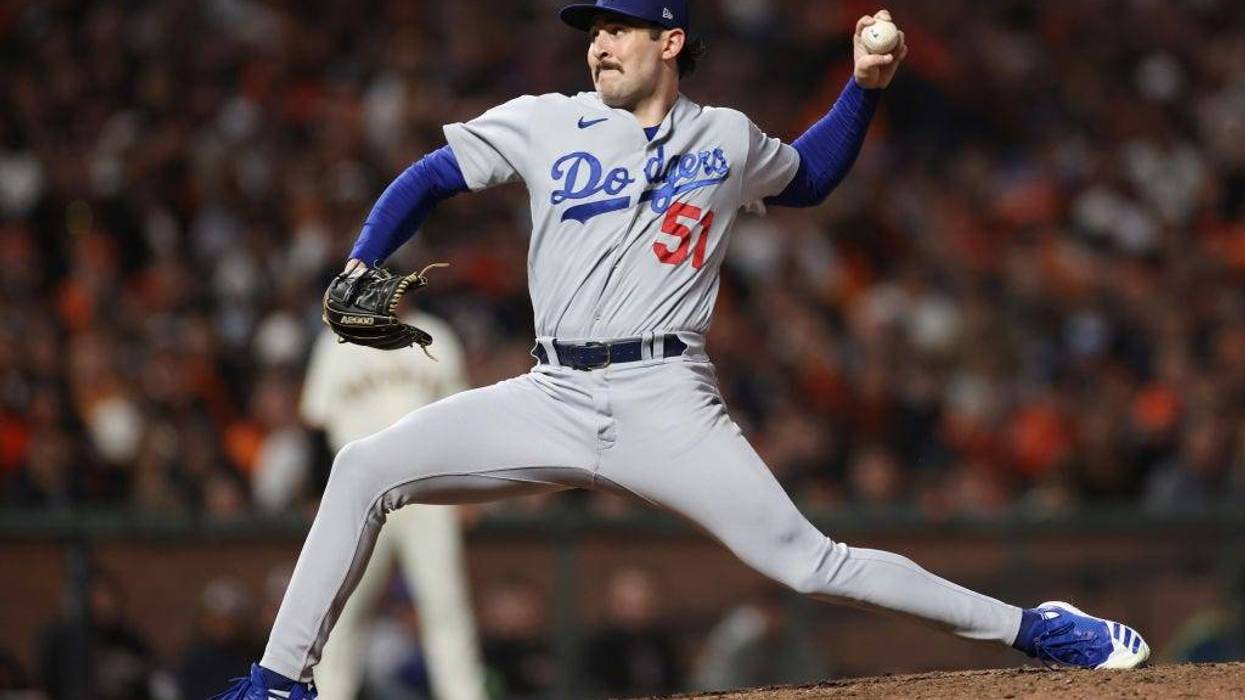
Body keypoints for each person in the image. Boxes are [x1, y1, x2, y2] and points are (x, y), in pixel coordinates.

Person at [216, 3, 1150, 697]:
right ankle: (279, 682)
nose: (597, 44)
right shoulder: (547, 118)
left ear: (669, 41)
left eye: (618, 27)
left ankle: (1037, 628)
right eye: (592, 29)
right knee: (366, 467)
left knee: (810, 564)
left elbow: (811, 176)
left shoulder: (726, 138)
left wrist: (862, 92)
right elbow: (428, 176)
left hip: (667, 395)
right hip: (551, 390)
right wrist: (361, 257)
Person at [298, 318, 486, 700]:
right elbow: (316, 424)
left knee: (445, 605)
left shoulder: (439, 334)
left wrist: (466, 490)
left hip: (430, 488)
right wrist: (318, 493)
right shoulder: (337, 339)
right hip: (360, 492)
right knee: (340, 609)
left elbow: (462, 420)